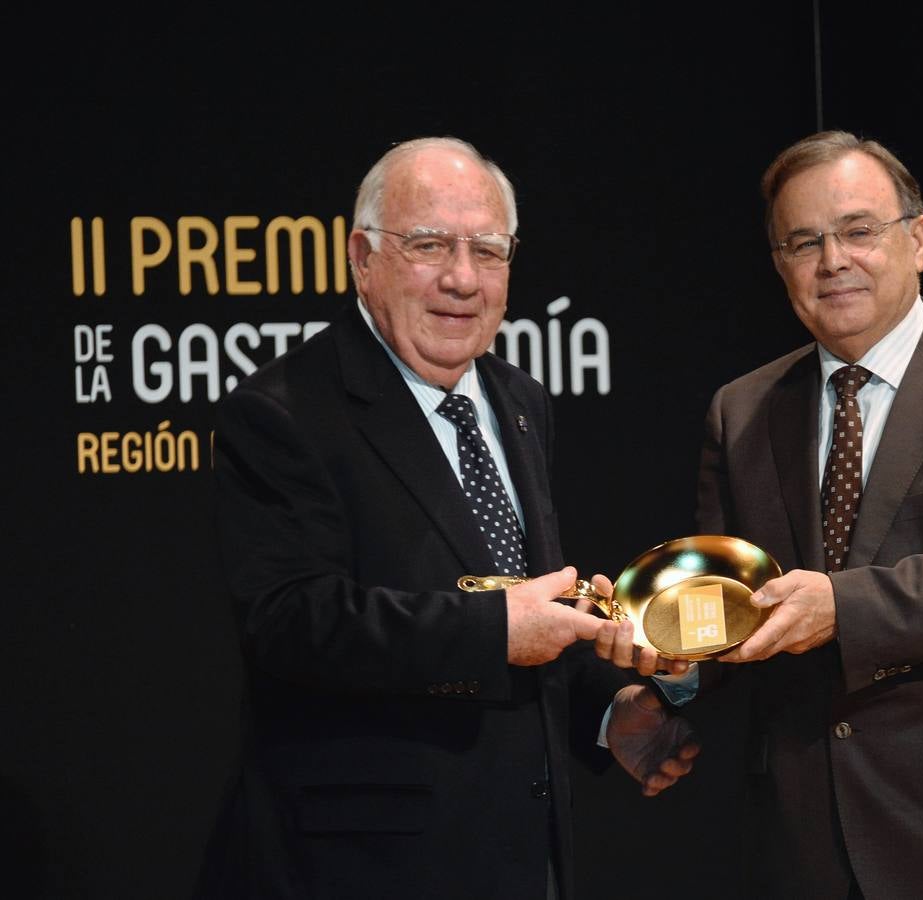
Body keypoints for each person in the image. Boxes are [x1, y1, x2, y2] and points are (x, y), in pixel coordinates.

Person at [601, 130, 923, 899]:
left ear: (919, 239)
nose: (832, 259)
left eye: (858, 231)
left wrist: (839, 606)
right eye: (803, 242)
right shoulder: (742, 411)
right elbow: (731, 614)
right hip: (806, 839)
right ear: (779, 267)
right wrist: (666, 677)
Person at [196, 136, 696, 900]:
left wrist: (605, 715)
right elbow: (291, 624)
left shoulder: (518, 401)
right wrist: (494, 629)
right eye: (428, 245)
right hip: (361, 868)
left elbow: (532, 611)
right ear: (362, 257)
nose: (462, 279)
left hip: (525, 853)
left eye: (487, 252)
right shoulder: (284, 413)